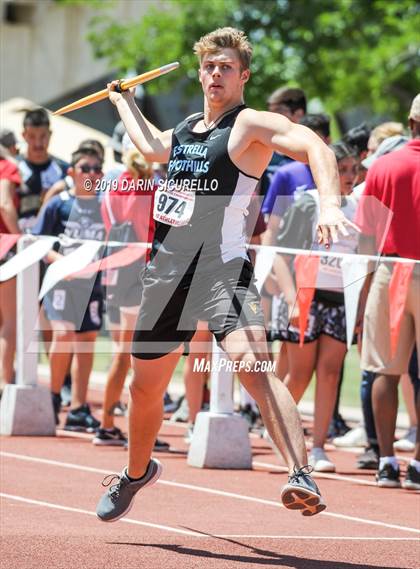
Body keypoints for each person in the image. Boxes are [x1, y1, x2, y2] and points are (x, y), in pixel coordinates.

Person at [96, 27, 356, 522]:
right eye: (210, 66)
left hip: (222, 270)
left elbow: (316, 148)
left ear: (244, 76)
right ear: (200, 72)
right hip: (167, 274)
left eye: (227, 68)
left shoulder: (251, 125)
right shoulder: (189, 128)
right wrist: (122, 101)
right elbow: (152, 145)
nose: (216, 74)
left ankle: (299, 474)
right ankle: (135, 473)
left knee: (253, 364)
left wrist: (328, 203)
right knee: (144, 388)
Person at [269, 142, 359, 472]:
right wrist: (292, 298)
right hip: (305, 295)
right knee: (301, 373)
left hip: (340, 299)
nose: (349, 177)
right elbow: (280, 253)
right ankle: (278, 427)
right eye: (341, 170)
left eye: (353, 170)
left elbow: (367, 259)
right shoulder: (307, 203)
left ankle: (318, 446)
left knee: (331, 374)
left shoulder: (362, 206)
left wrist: (359, 307)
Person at [356, 93, 420, 490]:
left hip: (391, 269)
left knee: (384, 369)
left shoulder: (384, 165)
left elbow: (366, 237)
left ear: (412, 123)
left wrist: (364, 289)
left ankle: (385, 460)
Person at [94, 147, 169, 451]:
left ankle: (107, 425)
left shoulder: (113, 186)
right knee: (148, 358)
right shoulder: (154, 186)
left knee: (123, 352)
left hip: (118, 272)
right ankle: (139, 433)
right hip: (144, 271)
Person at [31, 147, 105, 431]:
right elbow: (38, 242)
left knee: (86, 339)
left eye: (96, 169)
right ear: (71, 172)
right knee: (63, 335)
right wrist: (63, 263)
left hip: (93, 284)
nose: (92, 174)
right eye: (85, 168)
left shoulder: (104, 204)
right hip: (63, 281)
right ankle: (53, 395)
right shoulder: (58, 204)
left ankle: (78, 406)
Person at [17, 108, 68, 231]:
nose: (38, 143)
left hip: (53, 238)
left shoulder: (64, 169)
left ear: (50, 134)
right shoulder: (13, 167)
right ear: (23, 135)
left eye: (43, 136)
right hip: (19, 239)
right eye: (32, 136)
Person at [259, 87, 307, 196]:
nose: (272, 117)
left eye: (278, 111)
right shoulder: (264, 152)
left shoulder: (313, 153)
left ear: (298, 114)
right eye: (270, 112)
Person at [0, 149, 21, 389]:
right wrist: (21, 238)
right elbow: (4, 203)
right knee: (8, 320)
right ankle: (4, 385)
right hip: (4, 246)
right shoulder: (6, 166)